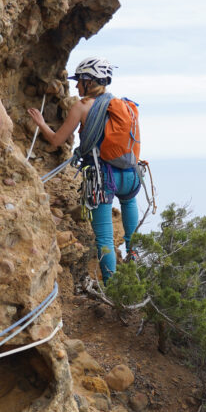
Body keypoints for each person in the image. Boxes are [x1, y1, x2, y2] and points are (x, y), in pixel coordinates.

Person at [27, 57, 141, 281]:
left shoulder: (82, 106)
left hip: (103, 177)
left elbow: (57, 140)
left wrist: (41, 123)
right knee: (131, 224)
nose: (77, 85)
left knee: (105, 240)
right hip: (130, 174)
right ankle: (135, 261)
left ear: (90, 81)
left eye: (80, 81)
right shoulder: (122, 106)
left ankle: (112, 288)